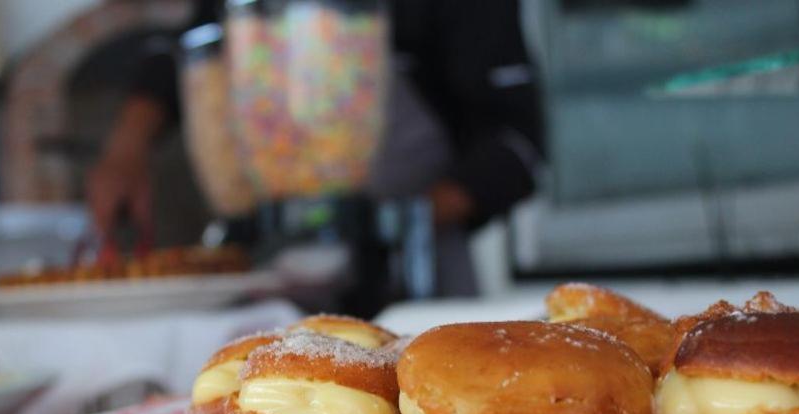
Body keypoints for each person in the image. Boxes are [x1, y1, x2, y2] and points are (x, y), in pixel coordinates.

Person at [87, 0, 544, 294]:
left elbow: (518, 142)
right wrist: (126, 149)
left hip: (409, 272)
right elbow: (187, 49)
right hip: (263, 267)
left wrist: (393, 218)